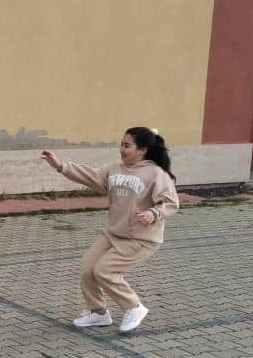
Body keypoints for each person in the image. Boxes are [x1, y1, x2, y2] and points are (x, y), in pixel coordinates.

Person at [41, 127, 178, 333]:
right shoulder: (115, 168)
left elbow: (171, 203)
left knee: (104, 271)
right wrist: (61, 166)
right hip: (114, 233)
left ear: (143, 150)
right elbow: (92, 176)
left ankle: (134, 307)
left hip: (140, 239)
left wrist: (153, 214)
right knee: (88, 269)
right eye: (121, 145)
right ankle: (98, 313)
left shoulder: (156, 174)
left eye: (127, 146)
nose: (122, 150)